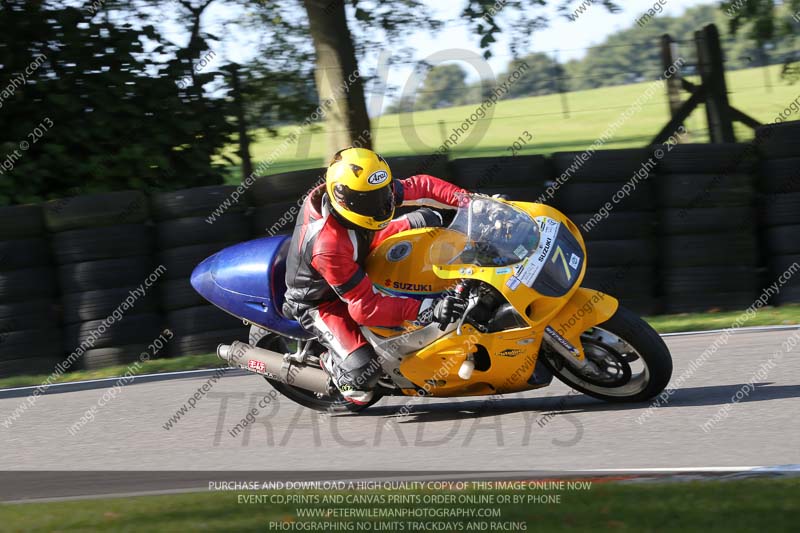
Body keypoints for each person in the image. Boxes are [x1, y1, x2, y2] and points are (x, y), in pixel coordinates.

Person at [283, 147, 469, 405]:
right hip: (322, 300)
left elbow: (422, 186)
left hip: (362, 247)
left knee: (433, 218)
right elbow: (365, 308)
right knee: (362, 379)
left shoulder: (367, 193)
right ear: (343, 198)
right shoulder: (328, 246)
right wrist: (429, 308)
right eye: (369, 201)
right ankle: (333, 366)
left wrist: (472, 203)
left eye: (383, 195)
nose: (381, 206)